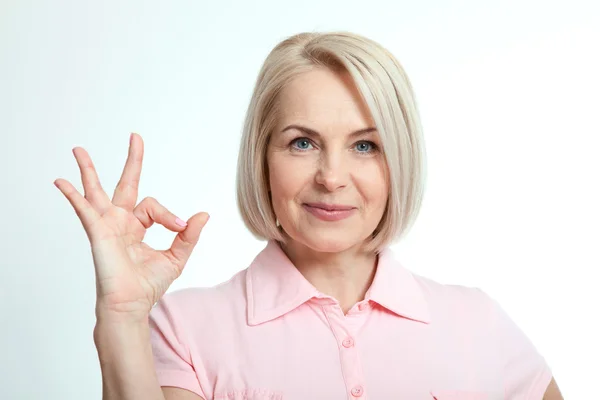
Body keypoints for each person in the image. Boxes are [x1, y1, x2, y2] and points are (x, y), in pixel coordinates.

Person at [54, 31, 564, 400]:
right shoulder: (184, 327)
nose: (332, 176)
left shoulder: (477, 322)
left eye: (365, 145)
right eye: (302, 142)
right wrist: (121, 315)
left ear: (399, 161)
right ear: (262, 158)